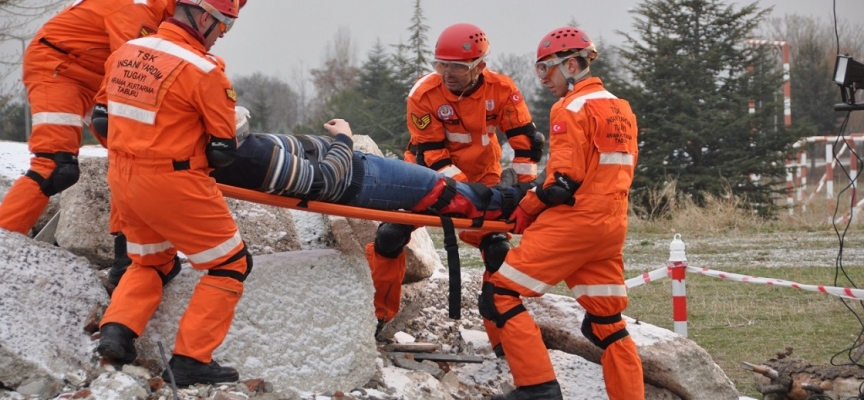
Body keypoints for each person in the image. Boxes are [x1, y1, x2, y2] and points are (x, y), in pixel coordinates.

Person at [94, 0, 250, 387]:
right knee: (230, 264)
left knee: (151, 261)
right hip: (172, 180)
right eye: (223, 28)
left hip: (122, 177)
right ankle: (191, 360)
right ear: (204, 17)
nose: (220, 38)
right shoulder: (203, 70)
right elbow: (223, 150)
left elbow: (100, 117)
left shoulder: (126, 52)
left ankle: (116, 332)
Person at [482, 27, 644, 399]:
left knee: (501, 293)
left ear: (571, 65)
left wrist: (527, 206)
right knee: (606, 323)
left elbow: (562, 184)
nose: (544, 81)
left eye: (546, 70)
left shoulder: (569, 108)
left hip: (573, 224)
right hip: (611, 226)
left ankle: (537, 387)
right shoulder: (621, 108)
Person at [366, 23, 545, 347]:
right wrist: (470, 195)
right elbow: (433, 155)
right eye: (441, 65)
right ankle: (377, 318)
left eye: (457, 67)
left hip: (483, 173)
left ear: (479, 66)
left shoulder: (502, 90)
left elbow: (524, 142)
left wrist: (525, 189)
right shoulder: (424, 94)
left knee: (497, 250)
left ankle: (503, 334)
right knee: (390, 236)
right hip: (424, 174)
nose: (448, 73)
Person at [0, 0, 176, 258]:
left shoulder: (172, 17)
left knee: (135, 162)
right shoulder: (138, 8)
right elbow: (135, 71)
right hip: (59, 67)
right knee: (55, 166)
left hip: (97, 76)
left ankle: (130, 258)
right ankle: (4, 243)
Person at [210, 115, 529, 224]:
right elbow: (322, 181)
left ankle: (504, 199)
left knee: (438, 188)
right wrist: (344, 138)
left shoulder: (232, 153)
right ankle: (512, 205)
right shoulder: (251, 160)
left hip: (360, 171)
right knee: (438, 190)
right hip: (360, 180)